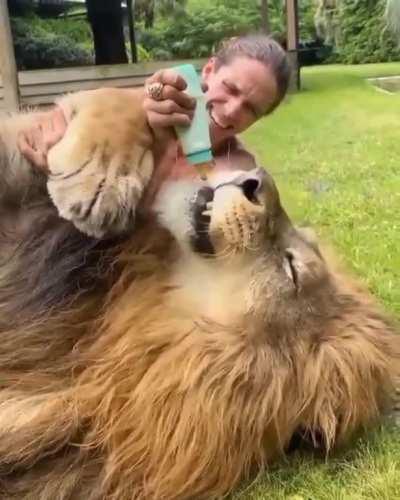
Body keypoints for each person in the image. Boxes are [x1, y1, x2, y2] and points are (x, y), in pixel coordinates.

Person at [18, 34, 290, 199]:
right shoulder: (136, 104)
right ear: (208, 70)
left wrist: (164, 146)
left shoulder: (236, 169)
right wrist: (59, 153)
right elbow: (61, 122)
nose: (231, 110)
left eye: (251, 109)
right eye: (230, 88)